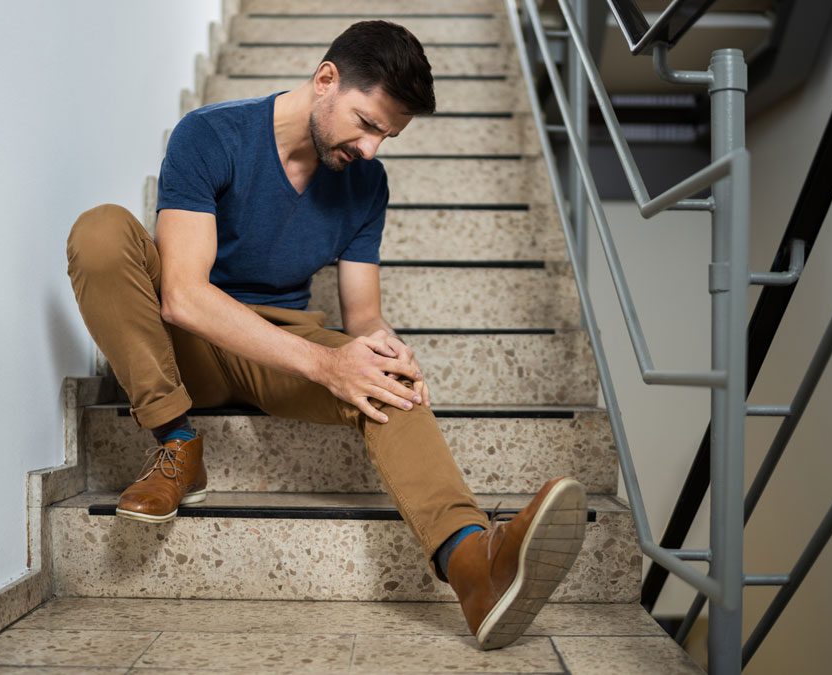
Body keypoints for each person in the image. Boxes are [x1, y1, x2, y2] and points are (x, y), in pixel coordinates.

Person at [65, 20, 587, 650]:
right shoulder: (211, 134)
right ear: (325, 80)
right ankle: (177, 443)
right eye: (367, 124)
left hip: (281, 347)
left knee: (386, 377)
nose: (371, 148)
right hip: (193, 346)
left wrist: (384, 348)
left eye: (387, 136)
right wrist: (324, 364)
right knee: (100, 230)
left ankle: (474, 569)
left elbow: (361, 314)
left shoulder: (366, 182)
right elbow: (181, 295)